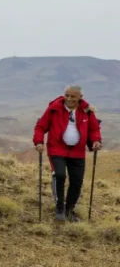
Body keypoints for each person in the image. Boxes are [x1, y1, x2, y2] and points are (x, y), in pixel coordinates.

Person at [34, 85, 104, 222]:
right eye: (67, 95)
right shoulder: (54, 109)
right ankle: (59, 207)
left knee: (76, 181)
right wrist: (38, 141)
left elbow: (94, 129)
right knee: (59, 175)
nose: (69, 99)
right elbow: (41, 127)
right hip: (57, 149)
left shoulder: (86, 111)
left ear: (80, 98)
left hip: (77, 152)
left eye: (73, 96)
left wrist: (96, 140)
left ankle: (69, 210)